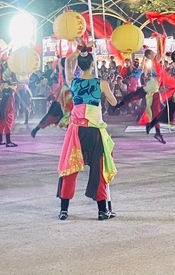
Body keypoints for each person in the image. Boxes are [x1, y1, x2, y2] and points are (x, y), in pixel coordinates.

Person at [57, 42, 117, 220]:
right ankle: (101, 210)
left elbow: (68, 62)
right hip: (94, 131)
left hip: (76, 131)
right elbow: (113, 102)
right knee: (98, 170)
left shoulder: (73, 82)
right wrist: (106, 89)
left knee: (70, 168)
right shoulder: (101, 83)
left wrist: (80, 49)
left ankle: (64, 210)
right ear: (93, 64)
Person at [0, 75, 18, 147]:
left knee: (1, 124)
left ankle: (0, 140)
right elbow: (10, 107)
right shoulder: (10, 94)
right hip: (7, 110)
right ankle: (8, 142)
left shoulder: (5, 92)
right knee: (8, 124)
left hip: (2, 108)